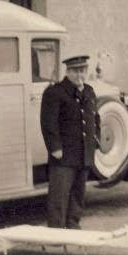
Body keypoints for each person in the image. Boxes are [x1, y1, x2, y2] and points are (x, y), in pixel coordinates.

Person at [40, 55, 100, 229]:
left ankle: (73, 225)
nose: (79, 75)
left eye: (82, 71)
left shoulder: (89, 91)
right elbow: (48, 123)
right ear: (67, 72)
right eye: (75, 71)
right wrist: (55, 147)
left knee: (78, 194)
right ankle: (57, 231)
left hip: (84, 153)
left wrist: (95, 139)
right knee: (59, 195)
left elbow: (95, 117)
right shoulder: (55, 92)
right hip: (64, 154)